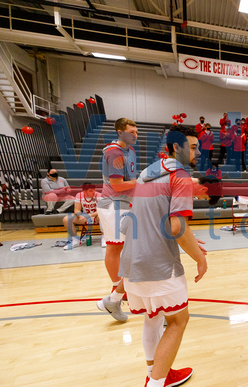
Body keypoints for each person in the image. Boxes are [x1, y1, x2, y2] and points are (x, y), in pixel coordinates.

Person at [119, 126, 208, 387]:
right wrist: (199, 259)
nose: (198, 151)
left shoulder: (148, 172)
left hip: (133, 262)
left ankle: (159, 373)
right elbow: (177, 228)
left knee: (153, 316)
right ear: (176, 148)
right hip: (158, 264)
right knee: (179, 320)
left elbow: (131, 222)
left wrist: (187, 239)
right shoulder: (179, 175)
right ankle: (155, 382)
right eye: (193, 147)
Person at [96, 117, 138, 322]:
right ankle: (116, 290)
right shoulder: (114, 152)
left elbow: (129, 183)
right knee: (115, 247)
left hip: (125, 203)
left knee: (129, 247)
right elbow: (118, 185)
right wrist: (146, 182)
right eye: (131, 132)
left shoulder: (130, 151)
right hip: (112, 204)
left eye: (137, 132)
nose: (135, 135)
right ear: (120, 133)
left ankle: (119, 292)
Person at [63, 182, 102, 250]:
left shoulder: (98, 195)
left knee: (103, 215)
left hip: (96, 216)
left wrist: (90, 215)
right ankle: (75, 240)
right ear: (84, 191)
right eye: (90, 191)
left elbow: (101, 210)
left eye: (93, 190)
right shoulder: (79, 195)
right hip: (85, 217)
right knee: (66, 219)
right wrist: (79, 216)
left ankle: (105, 238)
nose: (93, 192)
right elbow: (77, 209)